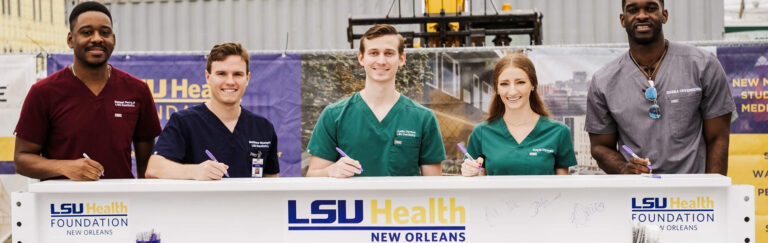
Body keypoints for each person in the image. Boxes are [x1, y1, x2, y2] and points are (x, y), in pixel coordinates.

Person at [13, 1, 161, 180]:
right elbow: (21, 159)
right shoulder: (44, 92)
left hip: (120, 203)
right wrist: (64, 166)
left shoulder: (138, 90)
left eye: (104, 32)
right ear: (70, 40)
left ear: (113, 39)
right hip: (62, 205)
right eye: (87, 32)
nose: (97, 38)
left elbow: (147, 166)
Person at [586, 0, 734, 175]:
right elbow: (600, 147)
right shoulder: (604, 81)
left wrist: (713, 192)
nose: (642, 16)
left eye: (651, 8)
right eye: (633, 10)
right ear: (623, 19)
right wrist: (624, 168)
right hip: (636, 197)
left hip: (693, 194)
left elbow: (718, 138)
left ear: (664, 15)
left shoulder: (703, 65)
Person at [306, 24, 446, 178]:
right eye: (373, 53)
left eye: (389, 53)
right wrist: (330, 171)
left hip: (402, 203)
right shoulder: (333, 116)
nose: (381, 60)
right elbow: (313, 176)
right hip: (354, 203)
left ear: (401, 59)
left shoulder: (423, 118)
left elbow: (434, 189)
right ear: (361, 58)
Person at [145, 42, 279, 180]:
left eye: (237, 74)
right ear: (208, 77)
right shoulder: (184, 122)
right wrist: (194, 172)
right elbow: (154, 169)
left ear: (247, 78)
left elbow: (271, 183)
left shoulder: (263, 128)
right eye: (221, 74)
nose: (230, 81)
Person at [461, 54, 577, 176]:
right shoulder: (481, 133)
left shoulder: (558, 132)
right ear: (497, 89)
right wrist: (471, 173)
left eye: (520, 82)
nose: (512, 91)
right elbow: (479, 184)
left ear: (533, 85)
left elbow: (562, 189)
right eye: (504, 84)